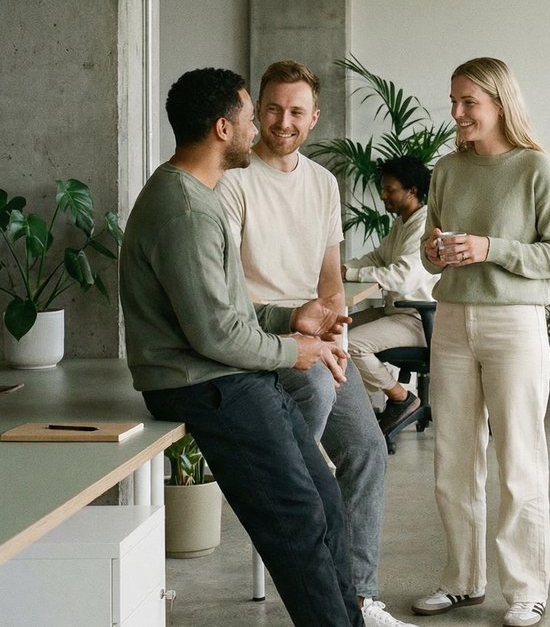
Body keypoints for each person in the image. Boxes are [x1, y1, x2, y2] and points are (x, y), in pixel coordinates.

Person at [122, 67, 362, 626]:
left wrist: (289, 316)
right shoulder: (184, 210)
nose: (260, 128)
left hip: (227, 377)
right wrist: (293, 350)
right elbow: (215, 334)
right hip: (203, 385)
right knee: (298, 517)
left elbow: (223, 312)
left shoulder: (197, 199)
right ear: (223, 128)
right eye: (253, 116)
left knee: (324, 499)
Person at [216, 61, 406, 627]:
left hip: (317, 342)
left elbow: (329, 279)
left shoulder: (324, 182)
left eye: (297, 111)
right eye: (272, 108)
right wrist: (303, 338)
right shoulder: (233, 178)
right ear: (257, 111)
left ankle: (360, 598)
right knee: (315, 409)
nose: (283, 121)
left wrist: (339, 335)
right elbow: (225, 289)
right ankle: (293, 503)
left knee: (368, 450)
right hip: (257, 340)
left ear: (314, 117)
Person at [411, 57, 550, 627]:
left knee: (519, 460)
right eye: (453, 102)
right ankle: (461, 580)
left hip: (514, 322)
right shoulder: (447, 169)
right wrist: (436, 251)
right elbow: (431, 244)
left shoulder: (536, 168)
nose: (456, 114)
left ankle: (527, 589)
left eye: (468, 103)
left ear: (500, 104)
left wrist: (491, 248)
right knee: (453, 457)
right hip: (453, 317)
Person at [343, 154, 438, 435]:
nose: (383, 195)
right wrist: (341, 268)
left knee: (349, 345)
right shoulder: (403, 223)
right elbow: (377, 258)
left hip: (417, 318)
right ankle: (361, 406)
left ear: (412, 191)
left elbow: (402, 278)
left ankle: (401, 398)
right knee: (335, 332)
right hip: (396, 312)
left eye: (390, 190)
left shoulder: (422, 226)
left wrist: (349, 275)